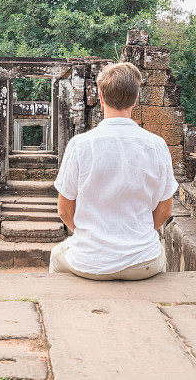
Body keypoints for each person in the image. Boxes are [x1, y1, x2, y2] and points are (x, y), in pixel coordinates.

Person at [49, 62, 177, 280]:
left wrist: (90, 238)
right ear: (136, 98)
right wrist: (139, 234)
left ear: (100, 97)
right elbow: (165, 211)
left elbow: (64, 210)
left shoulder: (80, 145)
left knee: (56, 255)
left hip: (89, 261)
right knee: (158, 256)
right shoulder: (157, 145)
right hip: (143, 261)